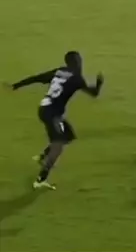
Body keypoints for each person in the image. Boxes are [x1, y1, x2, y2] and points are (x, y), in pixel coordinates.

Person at [5, 51, 104, 190]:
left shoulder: (59, 71)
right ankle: (40, 180)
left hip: (46, 108)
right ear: (78, 62)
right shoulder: (77, 78)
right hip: (52, 113)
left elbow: (37, 78)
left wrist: (16, 85)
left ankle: (43, 157)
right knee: (58, 145)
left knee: (68, 135)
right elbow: (93, 94)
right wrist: (99, 84)